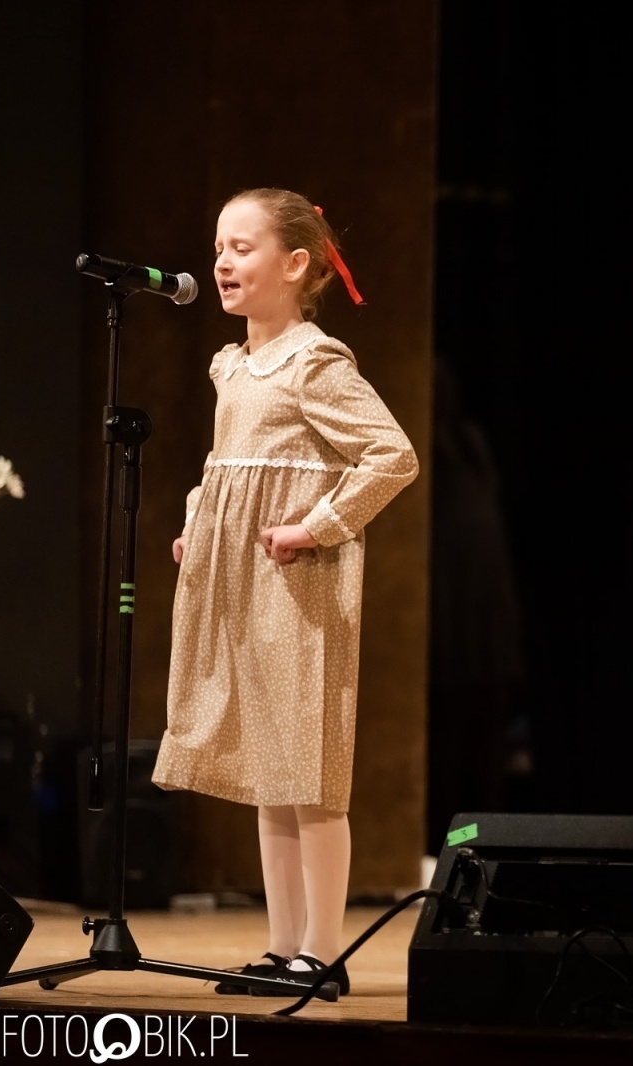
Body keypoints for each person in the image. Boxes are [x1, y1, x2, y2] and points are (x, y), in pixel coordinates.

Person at [151, 188, 418, 994]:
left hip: (299, 588)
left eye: (242, 248)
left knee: (309, 773)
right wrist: (200, 520)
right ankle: (282, 945)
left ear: (295, 264)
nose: (222, 262)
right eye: (220, 247)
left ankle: (322, 954)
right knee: (271, 770)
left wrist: (318, 525)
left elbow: (391, 456)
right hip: (239, 582)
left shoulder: (314, 361)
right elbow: (224, 463)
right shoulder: (232, 364)